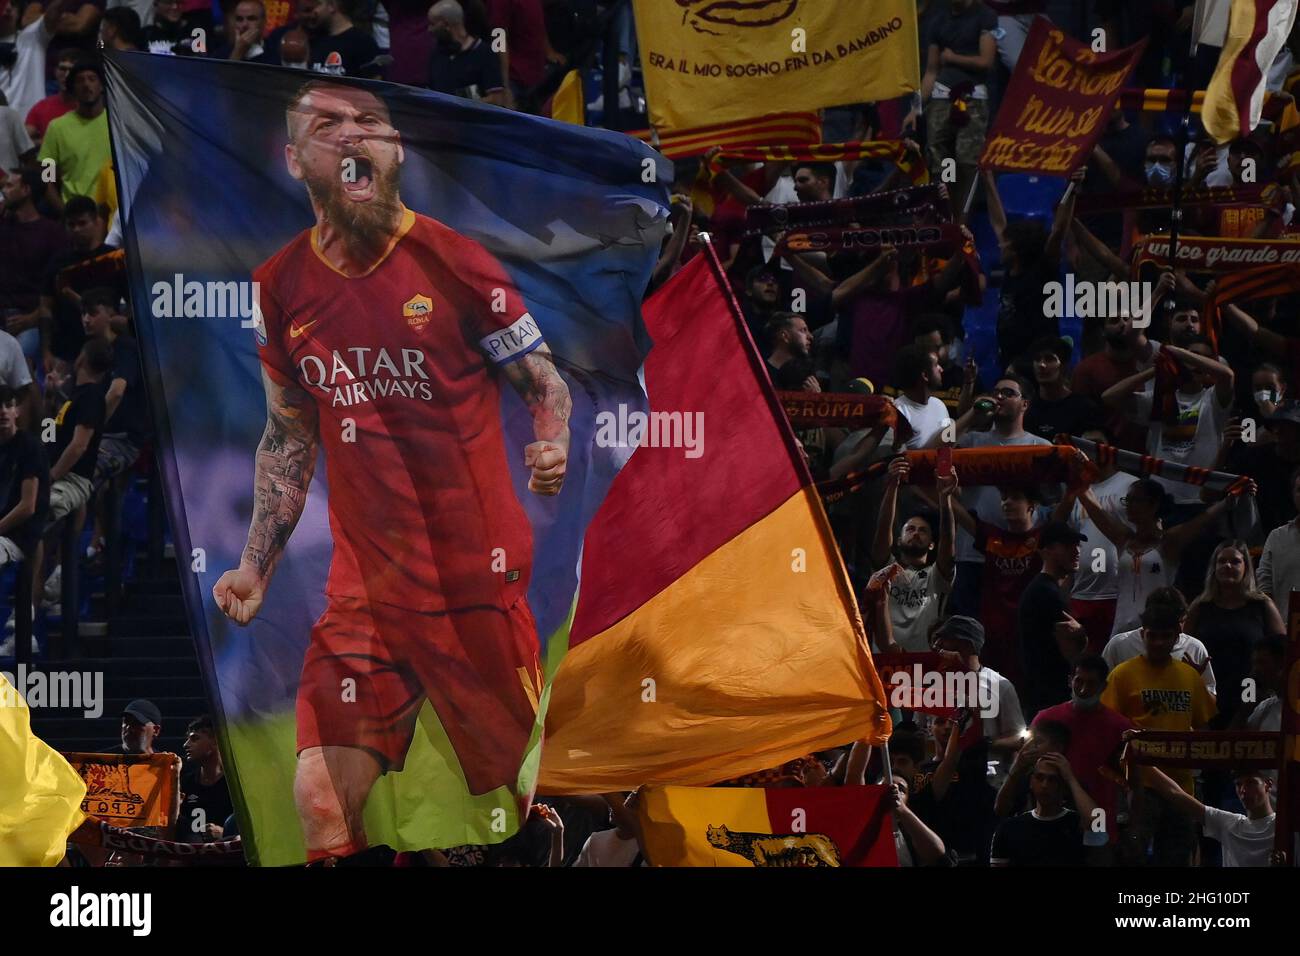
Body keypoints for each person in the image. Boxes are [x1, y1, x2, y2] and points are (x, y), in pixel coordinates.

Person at [212, 80, 573, 863]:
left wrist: (554, 437)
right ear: (295, 159)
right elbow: (287, 434)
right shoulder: (278, 287)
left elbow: (543, 377)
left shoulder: (456, 262)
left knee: (507, 823)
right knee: (318, 800)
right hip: (365, 596)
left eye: (369, 123)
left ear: (396, 150)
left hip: (475, 589)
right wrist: (254, 566)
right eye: (328, 126)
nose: (351, 136)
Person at [1102, 593, 1217, 866]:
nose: (1158, 643)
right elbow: (1108, 729)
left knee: (1177, 856)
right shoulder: (1122, 674)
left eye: (1165, 636)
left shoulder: (1190, 675)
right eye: (1152, 636)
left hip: (1182, 784)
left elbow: (1205, 727)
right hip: (1139, 785)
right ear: (1143, 634)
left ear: (1177, 635)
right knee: (1132, 855)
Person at [1075, 476, 1249, 636]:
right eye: (1127, 500)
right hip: (1122, 631)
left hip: (1159, 631)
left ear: (1154, 504)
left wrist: (1230, 499)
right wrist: (1077, 474)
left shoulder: (1169, 542)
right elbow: (1093, 506)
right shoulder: (1124, 539)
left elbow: (1204, 518)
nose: (1128, 505)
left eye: (1135, 500)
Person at [940, 373, 1052, 618]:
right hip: (972, 555)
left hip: (1021, 558)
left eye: (1009, 393)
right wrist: (971, 415)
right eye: (996, 392)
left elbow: (1052, 502)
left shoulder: (1040, 446)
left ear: (1025, 404)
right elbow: (935, 450)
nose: (999, 396)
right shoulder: (972, 440)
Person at [1102, 339, 1235, 511]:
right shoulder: (1158, 399)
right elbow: (1109, 397)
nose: (1191, 362)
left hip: (1201, 499)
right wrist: (1156, 369)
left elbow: (1227, 375)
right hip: (1160, 500)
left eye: (1199, 358)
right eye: (1188, 357)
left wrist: (1179, 352)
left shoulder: (1213, 399)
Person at [1030, 655, 1134, 859]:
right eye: (1079, 681)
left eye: (1092, 683)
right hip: (1051, 821)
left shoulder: (1121, 728)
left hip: (1099, 823)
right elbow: (1029, 769)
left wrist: (1134, 829)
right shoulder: (1046, 719)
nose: (1084, 690)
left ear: (1104, 686)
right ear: (1070, 680)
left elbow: (1134, 783)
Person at [984, 168, 1083, 371]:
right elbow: (998, 222)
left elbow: (1058, 232)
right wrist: (987, 178)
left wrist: (1072, 189)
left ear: (1017, 248)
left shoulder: (1042, 271)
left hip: (1038, 361)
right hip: (1009, 357)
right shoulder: (1011, 268)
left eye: (1006, 243)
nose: (1000, 245)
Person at [1184, 540, 1284, 727]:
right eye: (1222, 561)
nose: (1227, 566)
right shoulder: (1200, 606)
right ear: (1214, 568)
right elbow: (1183, 647)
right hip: (1209, 691)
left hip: (1251, 689)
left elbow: (1282, 650)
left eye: (1235, 561)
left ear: (1246, 566)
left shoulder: (1262, 605)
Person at [929, 615, 1025, 791]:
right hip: (944, 782)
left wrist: (984, 744)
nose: (938, 647)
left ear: (967, 645)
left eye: (946, 641)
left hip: (988, 781)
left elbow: (1020, 738)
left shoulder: (999, 685)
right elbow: (924, 732)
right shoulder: (934, 682)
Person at [868, 457, 955, 651]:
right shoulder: (886, 572)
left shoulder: (936, 578)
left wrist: (945, 497)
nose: (916, 533)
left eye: (922, 530)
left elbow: (948, 540)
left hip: (923, 668)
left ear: (932, 545)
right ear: (898, 540)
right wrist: (892, 486)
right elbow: (883, 529)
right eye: (910, 529)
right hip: (884, 665)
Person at [919, 0, 996, 217]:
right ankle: (946, 213)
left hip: (972, 97)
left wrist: (953, 58)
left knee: (966, 160)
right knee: (943, 161)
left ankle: (961, 219)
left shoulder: (985, 16)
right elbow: (931, 71)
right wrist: (915, 108)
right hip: (941, 96)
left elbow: (986, 61)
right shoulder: (938, 21)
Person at [1016, 519, 1088, 719]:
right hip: (1049, 699)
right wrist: (1081, 634)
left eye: (1077, 545)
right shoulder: (1046, 593)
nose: (1076, 551)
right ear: (1046, 550)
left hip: (1044, 696)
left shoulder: (1046, 589)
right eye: (1067, 546)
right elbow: (1071, 650)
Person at [1138, 766, 1276, 867]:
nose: (1243, 790)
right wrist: (1137, 753)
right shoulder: (1230, 823)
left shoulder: (1282, 824)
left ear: (1267, 785)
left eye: (1251, 783)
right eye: (1238, 784)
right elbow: (1175, 793)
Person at [1065, 427, 1127, 649]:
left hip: (1117, 593)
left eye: (1097, 442)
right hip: (1081, 591)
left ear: (1110, 448)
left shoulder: (1130, 484)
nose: (1091, 449)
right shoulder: (1077, 490)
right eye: (1086, 444)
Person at [0, 168, 68, 372]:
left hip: (31, 319)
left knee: (12, 364)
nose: (4, 191)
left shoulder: (51, 232)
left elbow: (60, 286)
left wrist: (32, 317)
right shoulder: (3, 226)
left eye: (10, 186)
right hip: (2, 315)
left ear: (26, 190)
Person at [39, 194, 115, 372]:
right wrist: (46, 352)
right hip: (66, 350)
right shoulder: (58, 262)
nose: (76, 229)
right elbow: (45, 307)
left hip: (106, 351)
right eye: (71, 225)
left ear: (96, 222)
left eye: (82, 223)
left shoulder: (114, 259)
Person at [0, 384, 49, 656]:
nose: (3, 412)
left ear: (17, 411)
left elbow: (27, 506)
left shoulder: (29, 447)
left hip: (18, 535)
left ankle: (22, 631)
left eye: (8, 406)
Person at [1102, 587, 1217, 699]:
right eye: (1153, 636)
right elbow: (1100, 692)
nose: (1180, 630)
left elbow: (1209, 702)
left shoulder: (1194, 648)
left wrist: (1194, 681)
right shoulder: (1119, 645)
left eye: (1181, 622)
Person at [990, 751, 1098, 867]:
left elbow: (1098, 822)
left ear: (1062, 784)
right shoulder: (1010, 828)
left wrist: (1070, 779)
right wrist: (1017, 768)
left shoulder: (1075, 823)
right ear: (1031, 781)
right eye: (1039, 777)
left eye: (1052, 779)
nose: (1044, 785)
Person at [37, 60, 111, 213]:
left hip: (111, 214)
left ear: (102, 86)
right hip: (73, 214)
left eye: (92, 79)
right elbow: (47, 177)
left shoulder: (116, 124)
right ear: (72, 89)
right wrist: (64, 213)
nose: (86, 84)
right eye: (80, 80)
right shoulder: (57, 127)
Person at [0, 0, 74, 122]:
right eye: (3, 3)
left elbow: (52, 14)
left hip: (33, 124)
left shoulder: (33, 37)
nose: (8, 8)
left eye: (13, 4)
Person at [1022, 336, 1101, 443]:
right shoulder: (1026, 407)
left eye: (1049, 359)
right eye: (1037, 359)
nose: (1042, 365)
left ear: (1064, 365)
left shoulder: (1084, 408)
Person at [173, 715, 235, 844]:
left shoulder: (235, 784)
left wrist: (226, 833)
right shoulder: (186, 783)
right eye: (187, 739)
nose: (186, 744)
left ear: (216, 741)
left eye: (194, 738)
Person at [1258, 466, 1300, 619]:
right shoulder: (1277, 537)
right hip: (1286, 631)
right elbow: (1264, 587)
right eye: (1299, 490)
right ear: (1293, 495)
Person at [305, 0, 381, 76]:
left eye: (319, 4)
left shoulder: (363, 43)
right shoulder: (316, 40)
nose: (315, 10)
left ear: (331, 6)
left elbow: (373, 84)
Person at [23, 49, 78, 146]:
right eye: (62, 69)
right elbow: (22, 140)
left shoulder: (90, 107)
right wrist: (44, 143)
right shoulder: (41, 107)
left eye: (72, 70)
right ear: (55, 72)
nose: (67, 75)